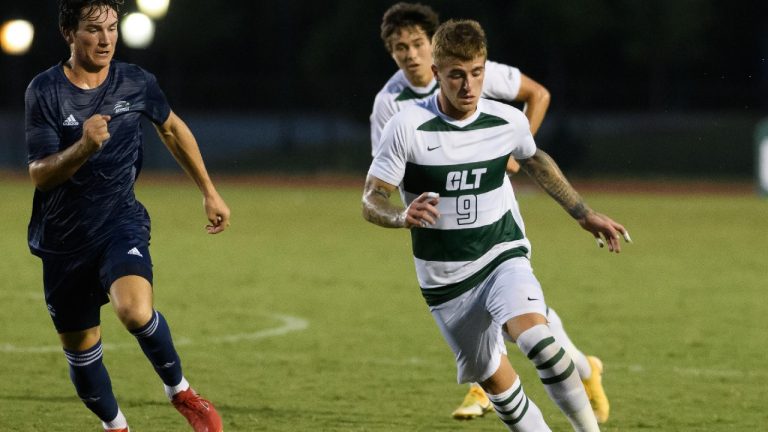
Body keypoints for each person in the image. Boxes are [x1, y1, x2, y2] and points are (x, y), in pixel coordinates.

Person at [362, 19, 630, 431]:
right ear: (438, 75)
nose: (468, 85)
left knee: (540, 342)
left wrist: (583, 212)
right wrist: (401, 216)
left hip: (502, 252)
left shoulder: (505, 119)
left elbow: (535, 158)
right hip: (445, 278)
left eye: (476, 73)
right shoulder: (405, 125)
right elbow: (371, 198)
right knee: (502, 393)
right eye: (456, 75)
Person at [24, 1, 230, 431]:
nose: (106, 40)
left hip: (119, 222)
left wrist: (209, 191)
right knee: (83, 357)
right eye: (94, 30)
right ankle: (117, 427)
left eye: (113, 28)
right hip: (63, 239)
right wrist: (83, 147)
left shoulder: (135, 81)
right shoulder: (43, 91)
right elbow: (40, 175)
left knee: (135, 311)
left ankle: (182, 393)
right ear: (69, 33)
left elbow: (172, 128)